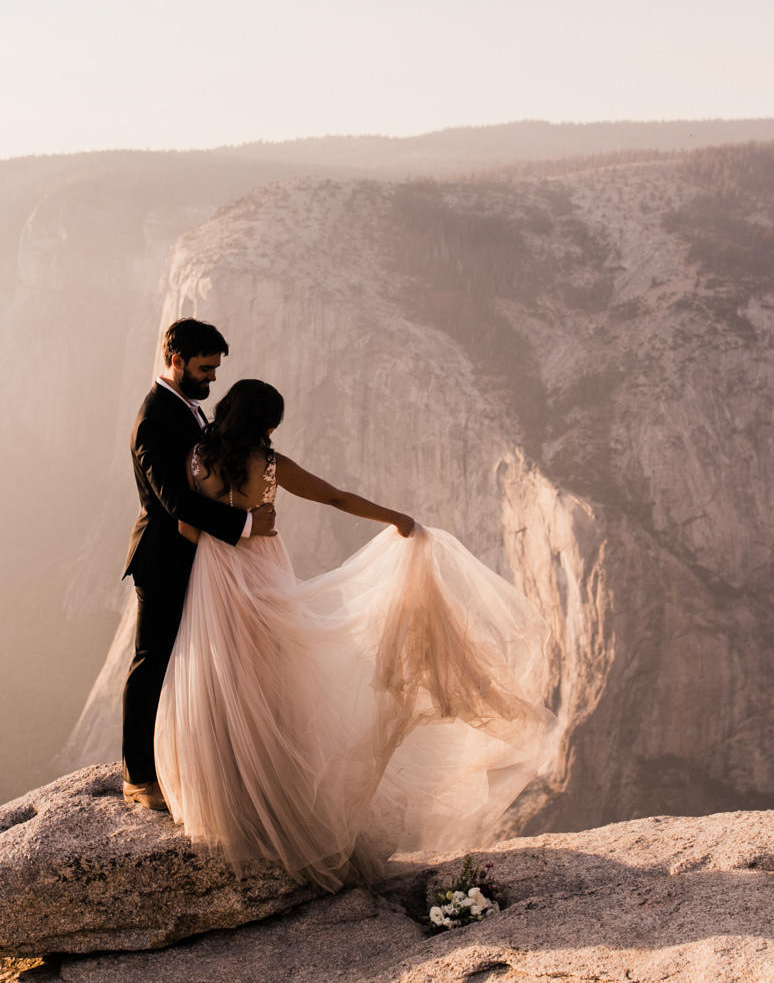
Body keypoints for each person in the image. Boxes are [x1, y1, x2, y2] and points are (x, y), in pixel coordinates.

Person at [156, 378, 557, 891]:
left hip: (213, 574)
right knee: (270, 677)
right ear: (264, 422)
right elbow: (337, 498)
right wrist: (397, 519)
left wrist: (231, 528)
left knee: (222, 675)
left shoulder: (196, 460)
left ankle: (232, 793)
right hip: (260, 570)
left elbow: (187, 525)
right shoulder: (270, 465)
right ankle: (275, 799)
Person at [120, 319, 278, 812]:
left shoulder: (186, 409)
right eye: (205, 369)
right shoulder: (154, 418)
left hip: (196, 558)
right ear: (176, 361)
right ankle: (138, 777)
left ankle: (177, 763)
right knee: (153, 664)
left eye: (214, 370)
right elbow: (174, 501)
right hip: (164, 559)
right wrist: (248, 524)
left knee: (185, 663)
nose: (211, 380)